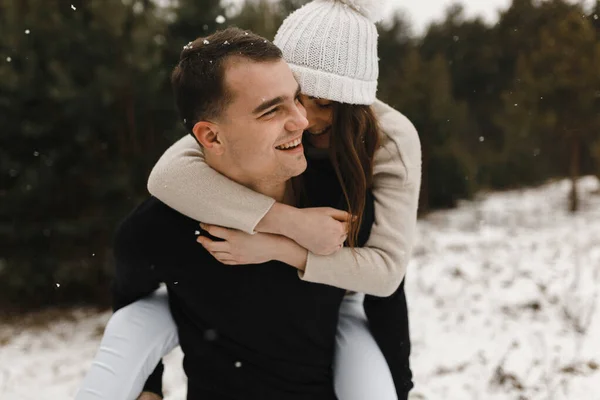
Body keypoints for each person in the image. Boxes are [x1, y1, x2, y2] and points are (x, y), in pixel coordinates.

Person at [77, 0, 421, 399]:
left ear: (354, 105)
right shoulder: (173, 213)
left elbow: (386, 279)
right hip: (225, 328)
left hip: (338, 295)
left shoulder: (377, 157)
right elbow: (169, 175)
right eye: (285, 99)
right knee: (135, 327)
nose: (304, 118)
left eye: (319, 102)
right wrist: (288, 223)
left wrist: (281, 247)